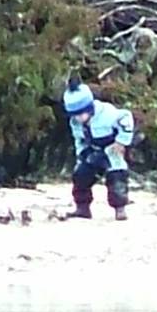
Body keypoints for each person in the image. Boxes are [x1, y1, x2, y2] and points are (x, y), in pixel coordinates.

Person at [62, 78, 135, 221]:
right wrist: (82, 153)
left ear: (89, 108)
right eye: (74, 114)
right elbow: (79, 139)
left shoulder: (107, 113)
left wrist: (122, 142)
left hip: (111, 149)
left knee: (117, 177)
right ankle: (82, 208)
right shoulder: (75, 123)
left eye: (81, 113)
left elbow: (126, 118)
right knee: (80, 176)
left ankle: (120, 209)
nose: (78, 117)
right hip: (92, 150)